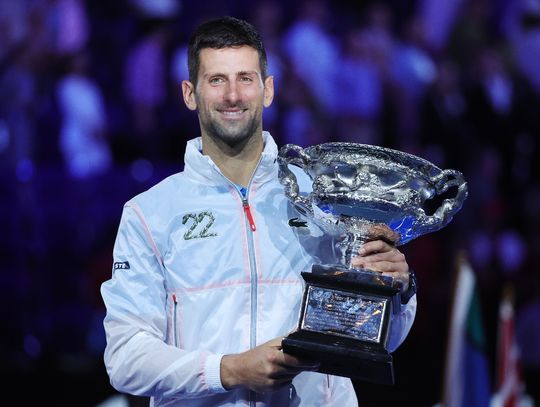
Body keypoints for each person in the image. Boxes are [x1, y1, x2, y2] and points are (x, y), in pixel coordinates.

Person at [100, 16, 417, 406]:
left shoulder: (325, 197)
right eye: (217, 80)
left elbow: (378, 339)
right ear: (189, 93)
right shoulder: (150, 213)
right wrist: (229, 369)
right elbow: (126, 358)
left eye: (245, 78)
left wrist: (395, 291)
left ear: (267, 89)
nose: (233, 95)